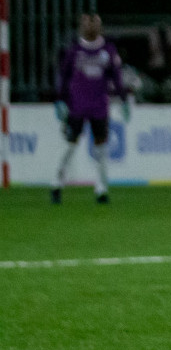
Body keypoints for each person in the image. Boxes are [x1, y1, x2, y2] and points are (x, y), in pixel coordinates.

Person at [52, 12, 128, 205]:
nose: (90, 27)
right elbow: (64, 75)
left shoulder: (108, 51)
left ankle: (101, 189)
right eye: (87, 23)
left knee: (101, 148)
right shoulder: (74, 51)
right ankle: (57, 183)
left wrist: (123, 98)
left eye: (94, 23)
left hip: (99, 106)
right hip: (77, 106)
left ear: (100, 27)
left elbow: (116, 77)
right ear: (81, 27)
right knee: (70, 145)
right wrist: (60, 99)